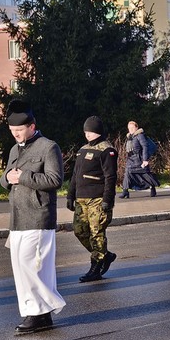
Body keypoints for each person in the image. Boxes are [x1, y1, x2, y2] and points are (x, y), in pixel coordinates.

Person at [0, 99, 66, 334]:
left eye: (19, 130)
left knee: (32, 266)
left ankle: (36, 312)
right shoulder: (14, 150)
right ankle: (41, 313)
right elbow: (4, 177)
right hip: (17, 218)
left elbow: (55, 180)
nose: (16, 135)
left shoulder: (48, 147)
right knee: (20, 266)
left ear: (31, 125)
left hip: (38, 216)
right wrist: (8, 178)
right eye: (12, 131)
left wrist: (23, 176)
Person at [67, 116, 118, 283]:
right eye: (86, 131)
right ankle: (105, 255)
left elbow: (110, 176)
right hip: (81, 198)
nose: (87, 134)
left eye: (90, 131)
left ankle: (96, 267)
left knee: (97, 232)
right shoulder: (82, 150)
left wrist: (107, 200)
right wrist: (70, 194)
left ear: (97, 131)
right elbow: (75, 174)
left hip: (97, 198)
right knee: (79, 231)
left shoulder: (106, 150)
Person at [119, 121, 159, 199]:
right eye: (129, 128)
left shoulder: (140, 136)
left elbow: (145, 147)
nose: (130, 129)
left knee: (145, 175)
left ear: (136, 128)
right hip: (131, 160)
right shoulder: (130, 137)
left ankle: (152, 187)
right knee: (127, 173)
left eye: (132, 128)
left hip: (139, 160)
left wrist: (145, 159)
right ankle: (125, 191)